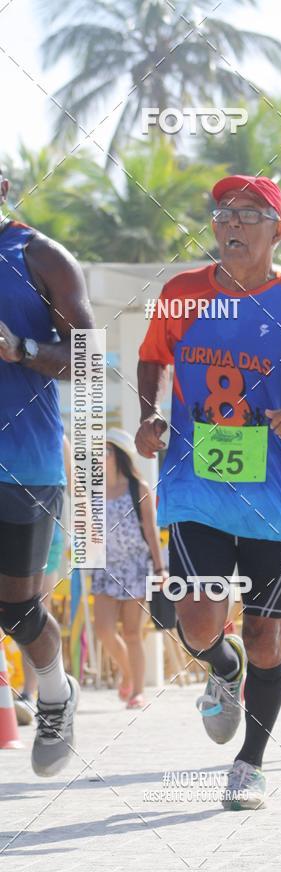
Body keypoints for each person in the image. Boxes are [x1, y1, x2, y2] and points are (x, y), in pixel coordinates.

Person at [135, 174, 281, 810]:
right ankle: (222, 666)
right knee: (199, 618)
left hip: (273, 499)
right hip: (194, 486)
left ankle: (250, 763)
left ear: (277, 230)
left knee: (270, 637)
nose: (231, 223)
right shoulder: (181, 295)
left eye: (249, 213)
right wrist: (152, 413)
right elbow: (152, 359)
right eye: (222, 213)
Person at [0, 168, 94, 775]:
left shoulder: (39, 255)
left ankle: (55, 693)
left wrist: (23, 351)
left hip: (23, 466)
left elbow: (90, 359)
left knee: (16, 611)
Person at [91, 429, 165, 708]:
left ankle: (136, 690)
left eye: (106, 451)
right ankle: (127, 674)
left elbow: (150, 528)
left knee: (133, 632)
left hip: (136, 566)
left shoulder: (138, 487)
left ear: (118, 455)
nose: (100, 456)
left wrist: (160, 569)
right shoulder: (94, 489)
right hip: (105, 567)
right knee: (104, 630)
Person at [15, 436, 72, 726]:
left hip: (47, 532)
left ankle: (33, 689)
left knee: (33, 610)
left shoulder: (58, 439)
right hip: (12, 526)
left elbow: (74, 489)